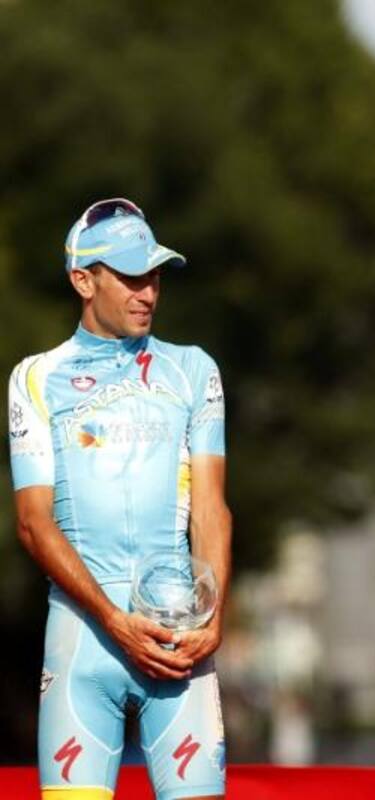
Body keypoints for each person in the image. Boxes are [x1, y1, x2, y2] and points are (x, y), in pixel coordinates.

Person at [9, 198, 231, 800]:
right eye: (131, 276)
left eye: (154, 276)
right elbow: (32, 523)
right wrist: (112, 621)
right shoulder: (35, 376)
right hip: (85, 643)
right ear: (84, 279)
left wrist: (214, 618)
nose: (147, 292)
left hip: (177, 643)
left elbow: (211, 508)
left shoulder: (193, 369)